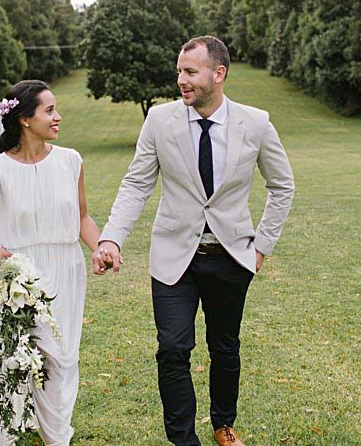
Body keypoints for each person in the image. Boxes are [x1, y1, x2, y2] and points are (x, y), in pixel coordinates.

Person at [94, 36, 294, 446]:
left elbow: (282, 185)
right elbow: (136, 184)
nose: (181, 80)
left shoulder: (255, 123)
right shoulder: (159, 121)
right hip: (173, 257)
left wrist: (260, 247)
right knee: (172, 349)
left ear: (218, 74)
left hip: (231, 257)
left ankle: (224, 425)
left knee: (224, 348)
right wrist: (112, 238)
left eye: (190, 72)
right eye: (179, 71)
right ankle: (184, 440)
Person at [0, 79, 107, 446]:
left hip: (67, 267)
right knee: (34, 354)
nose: (58, 117)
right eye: (50, 110)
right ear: (25, 119)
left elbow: (83, 217)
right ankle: (52, 436)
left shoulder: (71, 161)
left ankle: (53, 428)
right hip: (25, 275)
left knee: (63, 356)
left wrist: (99, 247)